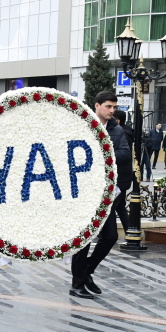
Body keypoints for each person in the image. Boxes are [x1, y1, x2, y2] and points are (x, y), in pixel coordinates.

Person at [69, 91, 131, 300]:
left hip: (106, 193)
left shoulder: (116, 130)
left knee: (111, 236)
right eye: (108, 107)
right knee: (84, 238)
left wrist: (103, 151)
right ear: (97, 106)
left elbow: (125, 155)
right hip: (84, 192)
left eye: (114, 107)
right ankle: (76, 284)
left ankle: (86, 271)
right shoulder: (82, 125)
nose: (112, 111)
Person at [111, 110, 132, 235]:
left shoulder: (121, 134)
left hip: (120, 177)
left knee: (111, 207)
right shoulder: (124, 132)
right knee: (120, 207)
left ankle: (109, 233)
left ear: (117, 120)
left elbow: (125, 155)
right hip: (122, 176)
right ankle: (129, 232)